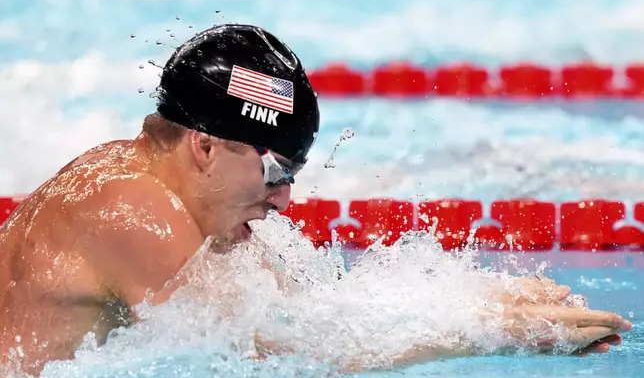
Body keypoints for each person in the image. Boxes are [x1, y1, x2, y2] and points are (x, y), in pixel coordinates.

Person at [0, 24, 632, 376]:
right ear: (205, 145)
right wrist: (488, 338)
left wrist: (483, 302)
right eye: (276, 169)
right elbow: (268, 360)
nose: (287, 197)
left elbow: (306, 313)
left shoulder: (165, 191)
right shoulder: (131, 213)